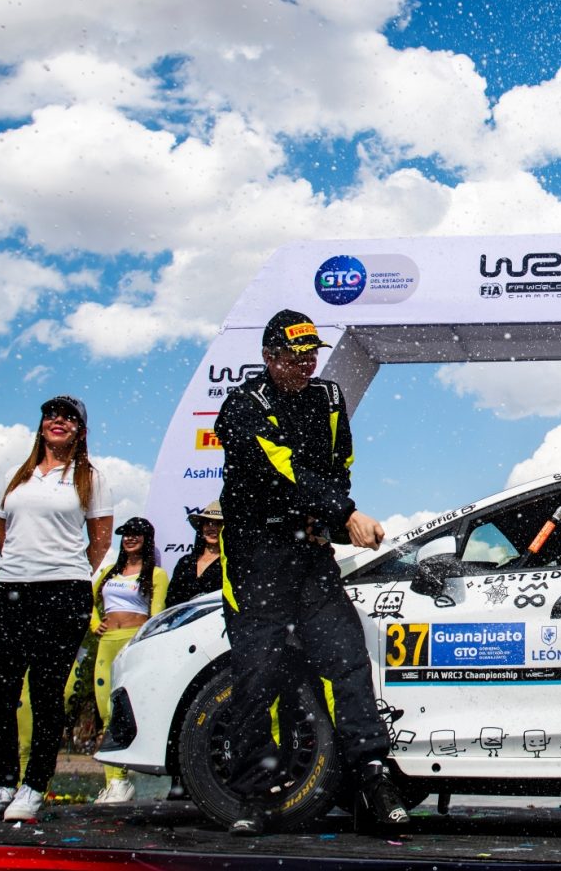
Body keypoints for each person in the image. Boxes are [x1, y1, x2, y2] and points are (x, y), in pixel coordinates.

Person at [213, 309, 400, 836]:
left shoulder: (329, 398)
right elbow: (283, 467)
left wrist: (331, 522)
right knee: (258, 672)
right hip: (256, 555)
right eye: (295, 357)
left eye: (311, 355)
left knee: (347, 659)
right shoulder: (243, 406)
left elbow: (338, 467)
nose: (306, 365)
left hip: (310, 551)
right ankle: (253, 792)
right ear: (269, 358)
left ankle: (372, 773)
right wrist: (344, 513)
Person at [0, 395, 113, 824]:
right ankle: (3, 784)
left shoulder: (90, 477)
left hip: (63, 592)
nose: (58, 421)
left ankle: (33, 787)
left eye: (68, 417)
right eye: (52, 415)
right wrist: (22, 570)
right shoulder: (19, 475)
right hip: (13, 590)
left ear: (80, 430)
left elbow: (100, 540)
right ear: (42, 425)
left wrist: (63, 573)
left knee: (47, 691)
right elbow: (3, 530)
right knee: (0, 691)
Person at [86, 517, 168, 803]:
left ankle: (124, 779)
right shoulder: (110, 571)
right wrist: (94, 622)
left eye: (136, 534)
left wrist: (147, 642)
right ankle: (114, 782)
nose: (130, 538)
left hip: (133, 643)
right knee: (105, 712)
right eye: (126, 534)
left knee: (124, 711)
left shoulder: (156, 574)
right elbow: (87, 597)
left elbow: (157, 612)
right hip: (106, 644)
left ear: (147, 539)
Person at [165, 501, 224, 608]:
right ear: (201, 528)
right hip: (182, 617)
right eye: (208, 523)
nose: (213, 528)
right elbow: (171, 599)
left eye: (219, 524)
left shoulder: (230, 563)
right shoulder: (185, 561)